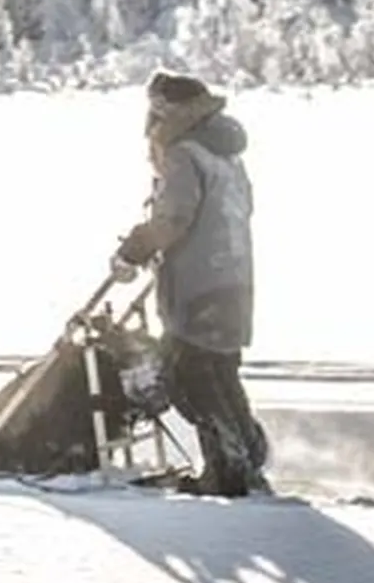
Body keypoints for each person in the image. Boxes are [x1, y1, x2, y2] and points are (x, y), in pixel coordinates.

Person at [111, 69, 266, 495]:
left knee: (188, 373)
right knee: (220, 369)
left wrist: (135, 251)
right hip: (235, 277)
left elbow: (175, 216)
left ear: (169, 110)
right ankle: (247, 454)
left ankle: (228, 468)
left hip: (198, 281)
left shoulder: (184, 153)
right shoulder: (226, 154)